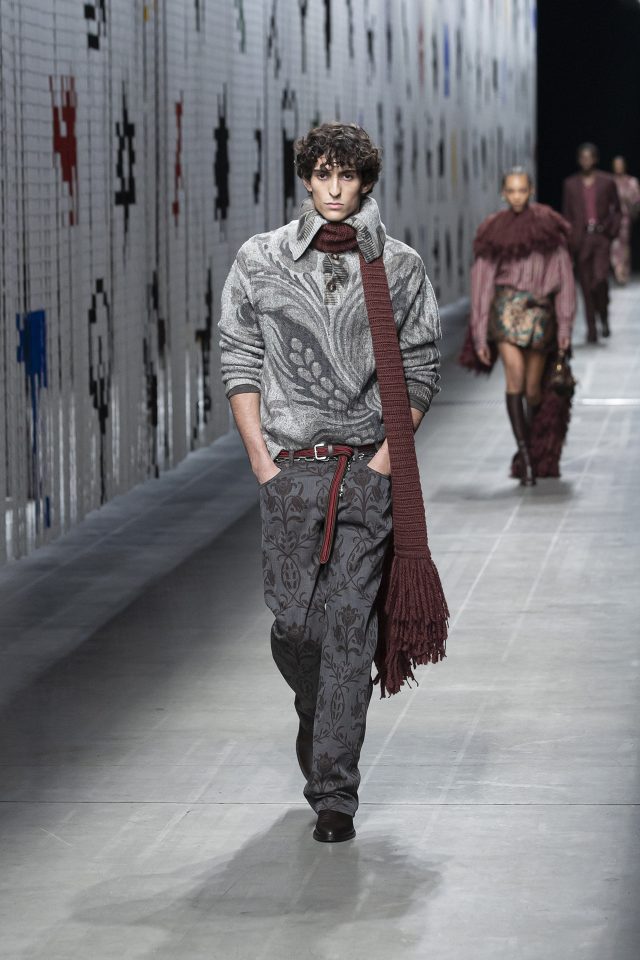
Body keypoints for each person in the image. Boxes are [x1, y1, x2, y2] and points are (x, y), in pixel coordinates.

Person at [218, 123, 448, 844]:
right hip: (290, 471)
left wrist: (383, 464)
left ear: (366, 180)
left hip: (366, 470)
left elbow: (421, 367)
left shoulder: (399, 267)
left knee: (350, 630)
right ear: (306, 179)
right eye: (323, 174)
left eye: (348, 175)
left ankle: (334, 794)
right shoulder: (260, 260)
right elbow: (239, 358)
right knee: (298, 628)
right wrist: (262, 462)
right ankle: (317, 714)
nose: (336, 188)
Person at [463, 167, 576, 485]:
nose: (516, 196)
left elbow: (565, 279)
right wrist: (480, 333)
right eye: (511, 191)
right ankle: (525, 456)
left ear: (531, 191)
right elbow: (482, 282)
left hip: (540, 314)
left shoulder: (548, 226)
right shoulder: (494, 228)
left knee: (532, 389)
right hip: (506, 311)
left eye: (522, 190)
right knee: (514, 376)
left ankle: (529, 448)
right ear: (503, 193)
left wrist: (565, 328)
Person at [562, 143, 621, 342]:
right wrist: (570, 239)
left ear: (595, 159)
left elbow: (617, 209)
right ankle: (592, 329)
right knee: (586, 286)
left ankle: (603, 315)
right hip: (581, 239)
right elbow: (567, 213)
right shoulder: (570, 184)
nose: (586, 161)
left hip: (601, 237)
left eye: (589, 157)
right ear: (578, 160)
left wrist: (611, 231)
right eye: (582, 157)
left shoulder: (607, 181)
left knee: (600, 279)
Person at [610, 156, 640, 285]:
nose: (618, 167)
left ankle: (622, 273)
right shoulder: (609, 181)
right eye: (616, 164)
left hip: (624, 218)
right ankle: (618, 272)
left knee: (623, 245)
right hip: (610, 219)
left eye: (620, 164)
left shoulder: (631, 181)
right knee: (613, 245)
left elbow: (636, 201)